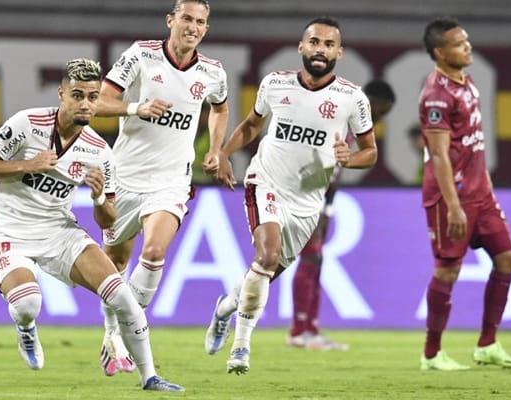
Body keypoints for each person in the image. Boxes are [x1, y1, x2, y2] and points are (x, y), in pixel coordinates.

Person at [0, 58, 184, 391]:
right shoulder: (27, 124)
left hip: (59, 230)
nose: (86, 104)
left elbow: (108, 220)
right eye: (78, 95)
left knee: (122, 296)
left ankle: (150, 377)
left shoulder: (99, 151)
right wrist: (29, 164)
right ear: (61, 94)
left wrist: (98, 199)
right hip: (10, 229)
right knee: (27, 305)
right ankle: (26, 329)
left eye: (93, 97)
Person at [204, 16, 378, 375]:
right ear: (301, 47)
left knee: (264, 274)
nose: (320, 50)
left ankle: (225, 308)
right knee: (266, 256)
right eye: (314, 42)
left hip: (308, 202)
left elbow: (370, 152)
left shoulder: (352, 99)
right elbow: (253, 124)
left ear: (339, 53)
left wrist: (352, 159)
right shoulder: (275, 84)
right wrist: (222, 152)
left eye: (329, 45)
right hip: (265, 181)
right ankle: (241, 348)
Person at [94, 0, 229, 377]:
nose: (193, 27)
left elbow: (219, 108)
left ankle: (123, 335)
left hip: (171, 181)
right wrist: (137, 108)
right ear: (171, 20)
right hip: (124, 176)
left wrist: (216, 149)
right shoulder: (141, 55)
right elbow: (101, 102)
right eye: (186, 18)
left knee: (153, 253)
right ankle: (111, 336)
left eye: (201, 22)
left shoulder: (213, 72)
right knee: (116, 264)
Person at [418, 17, 511, 371]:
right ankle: (431, 353)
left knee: (507, 258)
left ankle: (487, 344)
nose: (468, 47)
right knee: (447, 270)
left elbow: (473, 146)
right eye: (460, 43)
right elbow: (439, 156)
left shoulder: (469, 84)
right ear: (440, 52)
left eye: (467, 41)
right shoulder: (436, 96)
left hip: (481, 194)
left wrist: (486, 187)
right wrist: (454, 206)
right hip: (452, 198)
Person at [286, 79, 396, 351]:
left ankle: (310, 329)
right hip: (301, 194)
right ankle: (299, 330)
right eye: (381, 112)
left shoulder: (350, 128)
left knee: (317, 259)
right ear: (370, 103)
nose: (380, 119)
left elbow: (335, 172)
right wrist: (312, 202)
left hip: (319, 198)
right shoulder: (337, 116)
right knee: (311, 256)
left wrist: (327, 208)